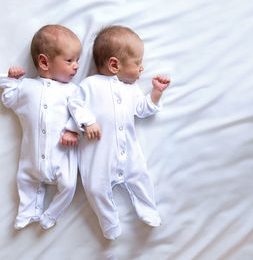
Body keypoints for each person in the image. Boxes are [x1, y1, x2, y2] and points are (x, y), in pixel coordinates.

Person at [61, 25, 171, 239]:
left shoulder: (132, 90)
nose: (142, 69)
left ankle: (149, 210)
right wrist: (88, 121)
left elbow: (143, 109)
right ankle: (109, 223)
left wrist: (156, 93)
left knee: (140, 177)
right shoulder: (89, 85)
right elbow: (75, 104)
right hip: (98, 156)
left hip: (129, 152)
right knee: (95, 188)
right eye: (137, 63)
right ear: (114, 64)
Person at [0, 24, 82, 230]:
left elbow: (83, 112)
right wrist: (11, 80)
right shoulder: (27, 87)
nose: (77, 66)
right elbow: (9, 99)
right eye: (70, 60)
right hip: (32, 157)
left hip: (62, 155)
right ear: (44, 62)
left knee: (70, 185)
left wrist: (72, 129)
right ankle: (27, 212)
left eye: (78, 60)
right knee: (25, 180)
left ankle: (51, 215)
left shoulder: (73, 91)